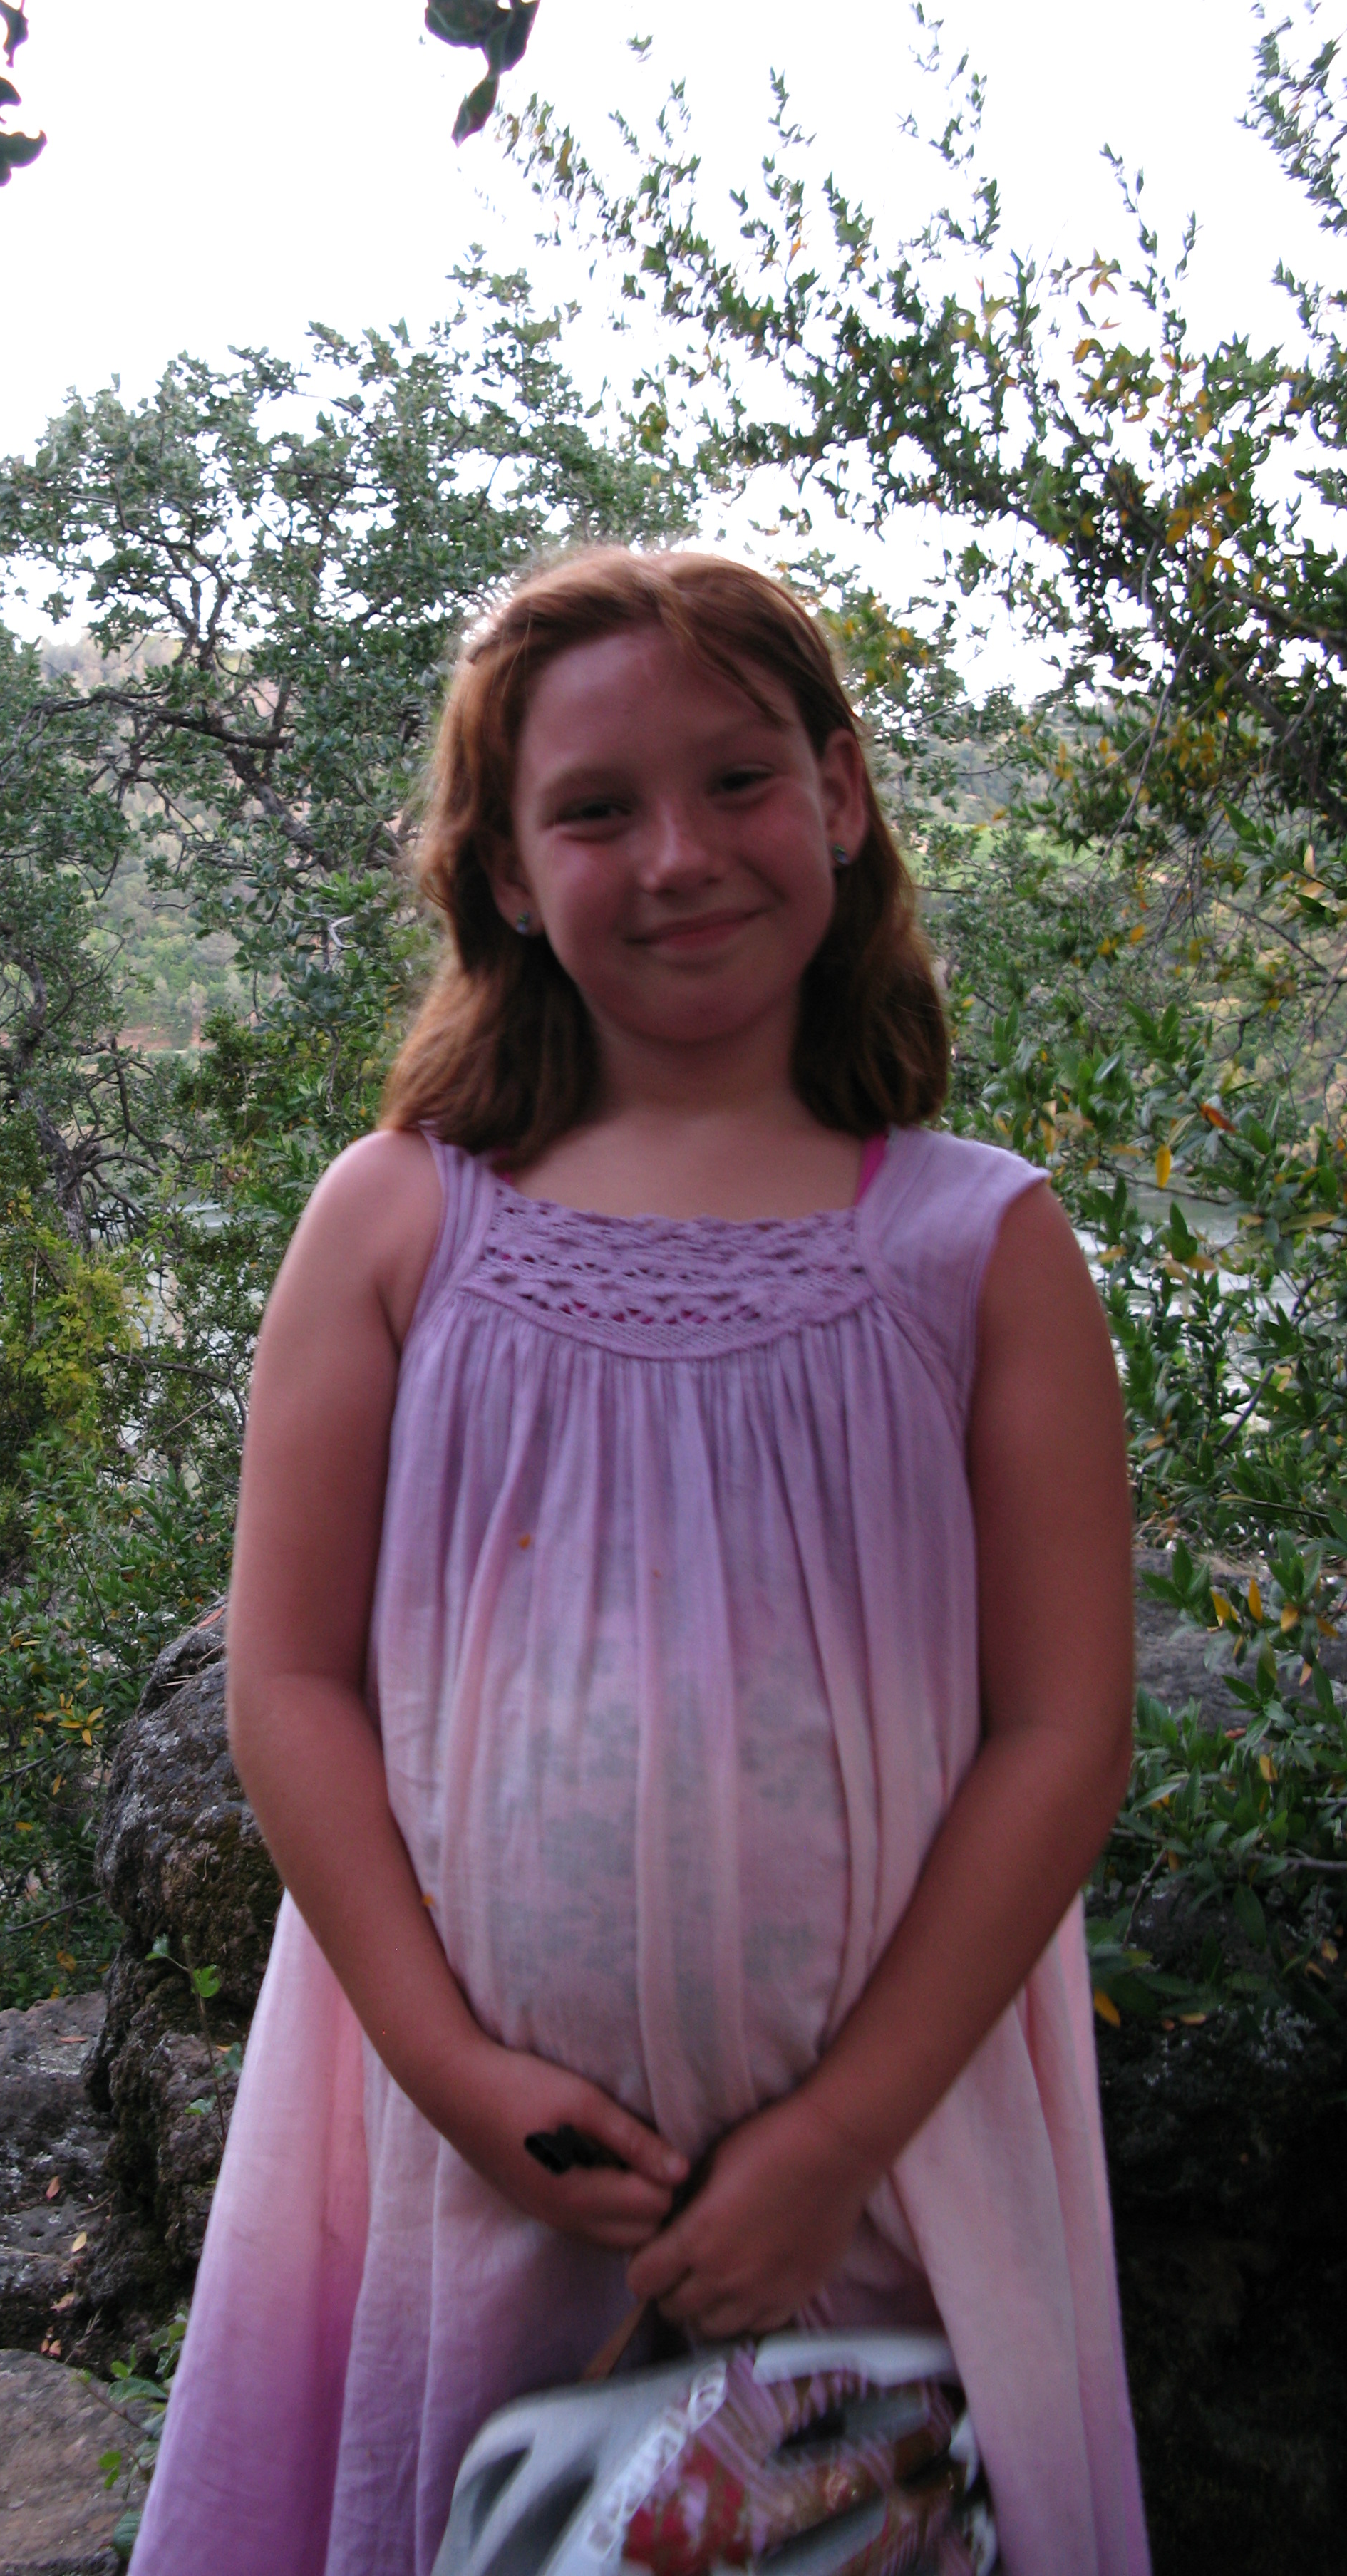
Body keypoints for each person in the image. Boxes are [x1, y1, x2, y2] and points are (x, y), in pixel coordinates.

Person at [130, 549, 1149, 2576]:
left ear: (838, 797)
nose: (679, 855)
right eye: (595, 810)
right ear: (506, 873)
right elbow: (291, 1682)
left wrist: (835, 2138)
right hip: (471, 2184)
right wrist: (454, 2074)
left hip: (891, 2184)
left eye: (738, 781)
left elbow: (1062, 1732)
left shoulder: (979, 1248)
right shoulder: (397, 1224)